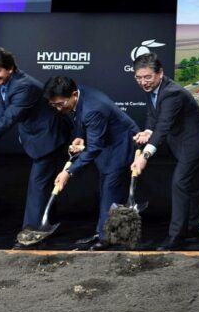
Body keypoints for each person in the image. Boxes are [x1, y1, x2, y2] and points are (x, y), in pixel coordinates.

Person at [43, 76, 139, 250]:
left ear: (73, 94)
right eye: (54, 105)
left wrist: (68, 172)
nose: (58, 109)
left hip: (121, 144)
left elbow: (94, 148)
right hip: (107, 143)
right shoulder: (80, 94)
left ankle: (105, 239)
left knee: (110, 189)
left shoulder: (93, 108)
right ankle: (102, 232)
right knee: (105, 187)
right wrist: (81, 137)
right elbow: (82, 120)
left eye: (61, 104)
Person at [130, 52, 199, 251]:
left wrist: (145, 156)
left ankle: (176, 237)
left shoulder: (172, 93)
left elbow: (164, 126)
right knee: (190, 185)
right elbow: (153, 116)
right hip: (180, 140)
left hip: (193, 141)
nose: (143, 82)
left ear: (160, 73)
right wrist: (147, 131)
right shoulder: (152, 89)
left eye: (147, 77)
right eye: (138, 78)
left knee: (180, 183)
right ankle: (193, 228)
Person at [0, 48, 70, 248]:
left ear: (10, 68)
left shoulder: (24, 86)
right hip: (37, 136)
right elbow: (2, 104)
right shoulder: (10, 82)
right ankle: (44, 224)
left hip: (48, 137)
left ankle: (31, 233)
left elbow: (11, 116)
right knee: (43, 183)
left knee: (38, 184)